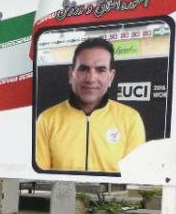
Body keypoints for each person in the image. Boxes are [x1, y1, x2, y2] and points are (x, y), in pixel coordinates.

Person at [34, 37, 146, 172]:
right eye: (83, 69)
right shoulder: (47, 120)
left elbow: (135, 179)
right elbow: (40, 178)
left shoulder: (131, 119)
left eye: (100, 70)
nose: (91, 78)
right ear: (71, 75)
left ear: (111, 77)